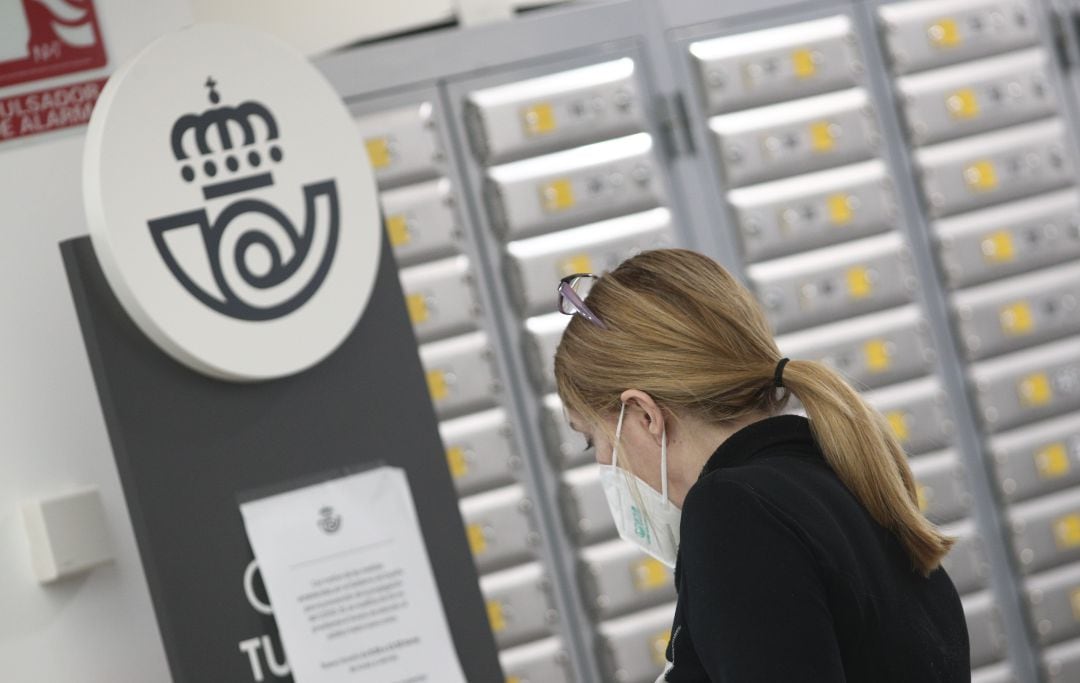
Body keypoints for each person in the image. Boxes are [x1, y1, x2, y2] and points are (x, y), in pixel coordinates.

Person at [553, 249, 969, 682]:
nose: (602, 462)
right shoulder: (836, 479)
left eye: (592, 440)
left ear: (643, 415)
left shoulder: (735, 514)